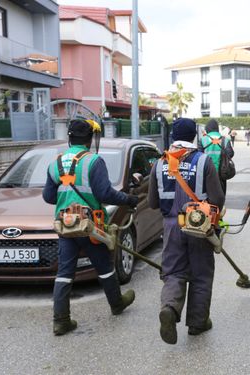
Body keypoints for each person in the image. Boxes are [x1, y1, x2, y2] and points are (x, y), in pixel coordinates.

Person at [42, 119, 139, 336]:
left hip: (66, 225)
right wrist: (128, 199)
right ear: (89, 140)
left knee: (64, 272)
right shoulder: (94, 161)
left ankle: (61, 321)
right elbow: (105, 194)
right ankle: (116, 304)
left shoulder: (55, 164)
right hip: (90, 225)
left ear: (69, 138)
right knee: (104, 266)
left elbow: (49, 196)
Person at [148, 118, 225, 345]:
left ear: (172, 136)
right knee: (201, 274)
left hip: (171, 227)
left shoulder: (160, 164)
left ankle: (170, 309)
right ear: (194, 137)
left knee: (173, 272)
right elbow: (218, 199)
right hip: (198, 226)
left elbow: (153, 202)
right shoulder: (203, 161)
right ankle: (197, 323)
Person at [198, 119, 234, 194]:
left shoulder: (203, 140)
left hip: (206, 171)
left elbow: (199, 156)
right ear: (217, 128)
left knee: (208, 194)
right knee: (220, 193)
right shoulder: (224, 140)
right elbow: (230, 153)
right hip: (221, 172)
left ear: (208, 128)